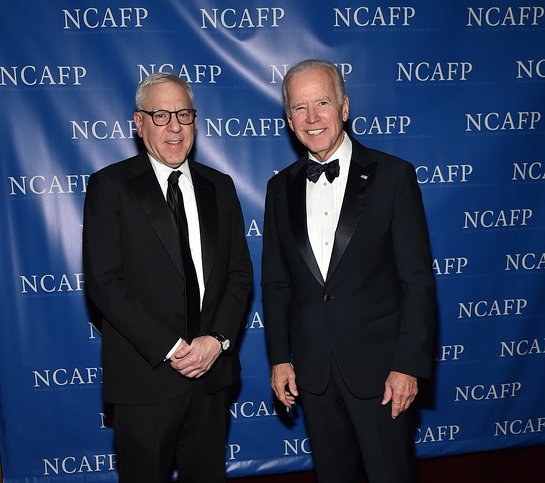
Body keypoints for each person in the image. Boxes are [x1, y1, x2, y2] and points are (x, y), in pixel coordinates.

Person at [262, 59, 436, 483]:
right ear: (288, 119)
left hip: (382, 373)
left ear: (344, 107)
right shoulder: (279, 187)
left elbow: (416, 280)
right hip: (313, 371)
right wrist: (279, 359)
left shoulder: (393, 176)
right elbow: (277, 281)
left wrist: (408, 365)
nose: (312, 117)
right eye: (299, 108)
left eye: (322, 102)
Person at [83, 72, 252, 483]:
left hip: (211, 378)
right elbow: (105, 282)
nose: (174, 126)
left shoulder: (221, 186)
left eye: (184, 114)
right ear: (139, 124)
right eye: (160, 115)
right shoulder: (111, 186)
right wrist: (173, 347)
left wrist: (217, 340)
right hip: (146, 380)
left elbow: (239, 275)